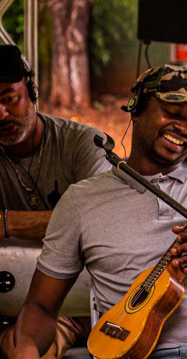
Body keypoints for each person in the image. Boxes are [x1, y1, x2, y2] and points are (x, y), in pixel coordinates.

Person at [10, 65, 187, 359]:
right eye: (171, 113)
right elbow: (40, 306)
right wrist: (25, 350)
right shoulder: (81, 200)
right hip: (132, 351)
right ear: (136, 109)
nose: (183, 127)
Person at [0, 44, 110, 359]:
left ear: (32, 93)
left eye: (10, 99)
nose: (2, 114)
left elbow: (98, 216)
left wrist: (7, 222)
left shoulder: (82, 144)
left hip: (70, 304)